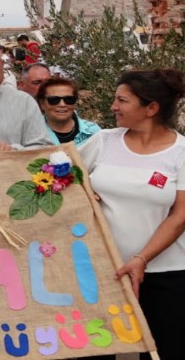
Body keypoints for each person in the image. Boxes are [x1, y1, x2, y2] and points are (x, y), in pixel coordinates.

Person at [79, 69, 185, 360]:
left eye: (122, 101)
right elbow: (61, 172)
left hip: (166, 275)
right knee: (96, 352)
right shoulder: (103, 141)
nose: (113, 107)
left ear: (151, 108)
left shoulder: (181, 153)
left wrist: (141, 259)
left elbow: (180, 216)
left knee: (165, 351)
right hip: (104, 270)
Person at [36, 77, 100, 146]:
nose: (62, 104)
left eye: (69, 99)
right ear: (42, 103)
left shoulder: (94, 131)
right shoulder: (31, 133)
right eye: (54, 100)